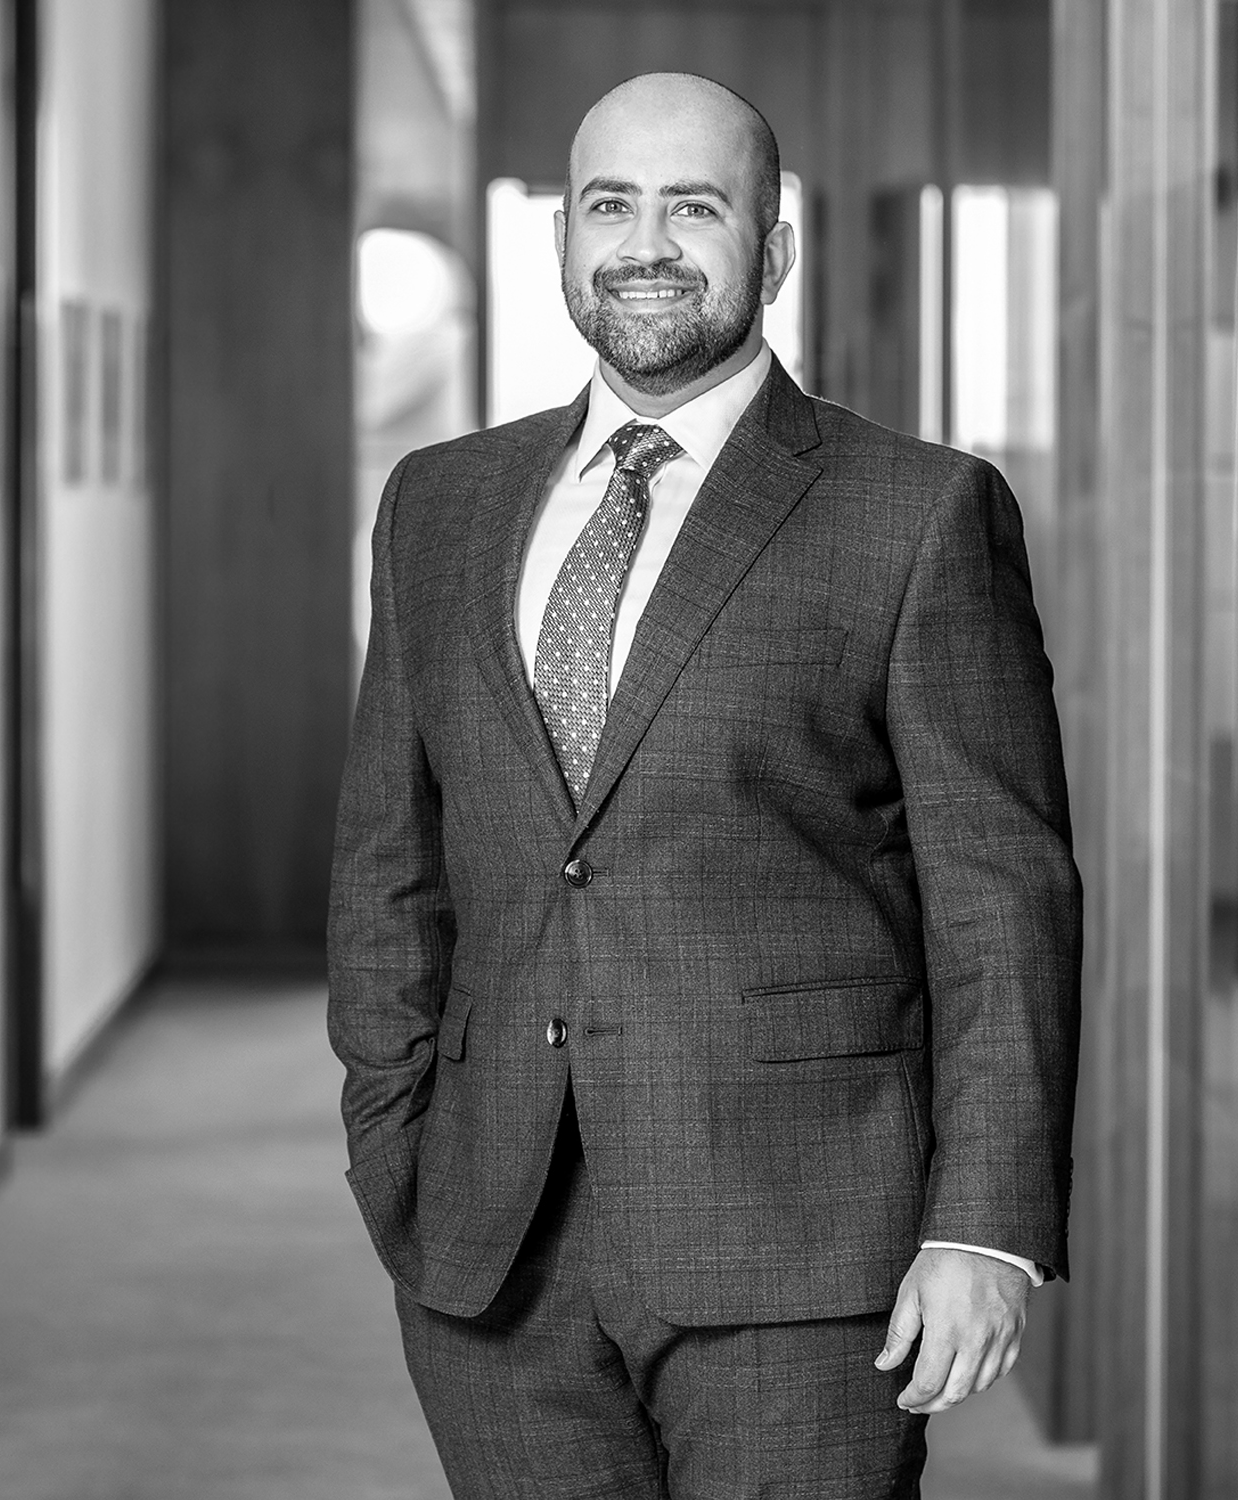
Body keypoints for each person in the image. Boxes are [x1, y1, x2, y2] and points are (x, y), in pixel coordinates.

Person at [328, 71, 1081, 1498]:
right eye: (610, 205)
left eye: (695, 207)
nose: (646, 245)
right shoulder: (438, 503)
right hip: (491, 1240)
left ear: (772, 250)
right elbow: (389, 861)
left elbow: (1002, 898)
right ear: (562, 240)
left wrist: (983, 1224)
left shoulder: (917, 510)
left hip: (805, 1243)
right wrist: (391, 1139)